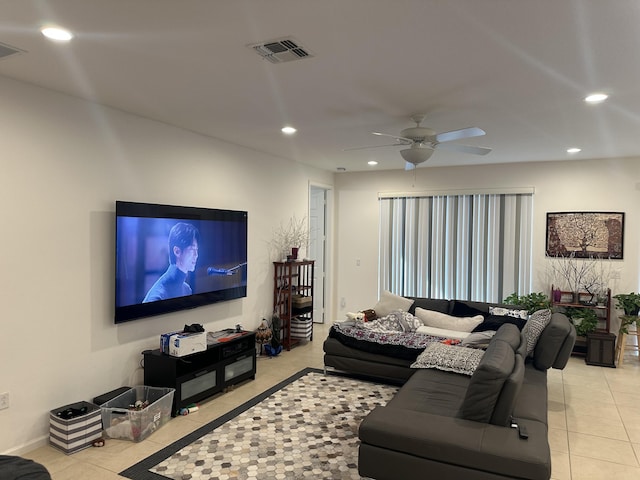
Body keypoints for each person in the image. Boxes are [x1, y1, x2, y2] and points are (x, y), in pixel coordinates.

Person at [143, 222, 199, 302]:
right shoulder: (157, 296)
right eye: (192, 250)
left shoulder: (187, 289)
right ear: (177, 251)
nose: (196, 255)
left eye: (196, 250)